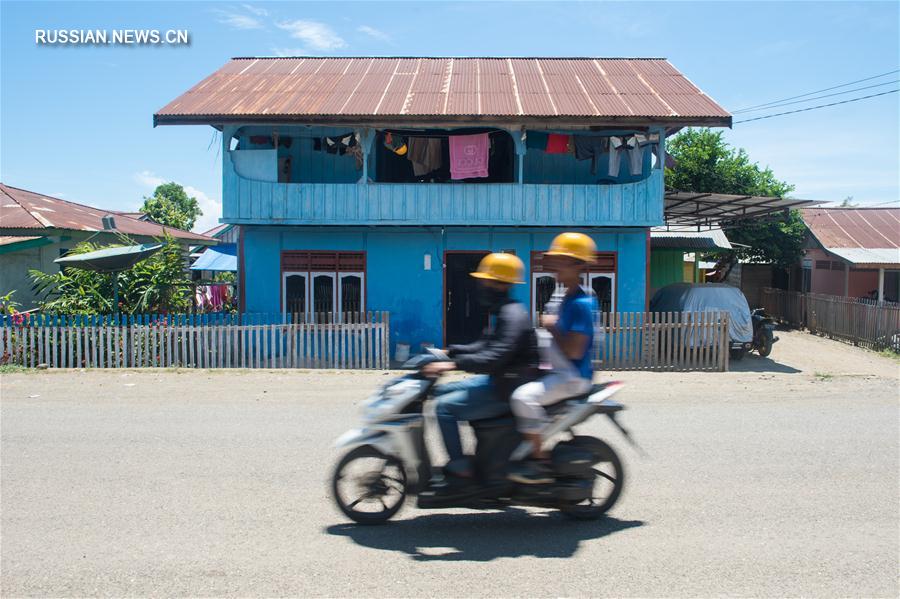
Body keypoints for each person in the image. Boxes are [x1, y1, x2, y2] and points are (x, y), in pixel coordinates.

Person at [422, 252, 539, 487]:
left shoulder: (512, 315)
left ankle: (460, 467)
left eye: (485, 281)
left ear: (500, 284)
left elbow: (494, 357)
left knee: (444, 408)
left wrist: (454, 364)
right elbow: (484, 345)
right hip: (501, 381)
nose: (480, 286)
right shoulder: (505, 310)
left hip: (507, 390)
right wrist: (452, 351)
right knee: (441, 392)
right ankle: (480, 451)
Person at [508, 232, 599, 484]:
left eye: (562, 260)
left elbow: (574, 351)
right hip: (556, 371)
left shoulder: (581, 303)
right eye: (555, 259)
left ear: (578, 265)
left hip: (571, 377)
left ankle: (539, 461)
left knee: (522, 398)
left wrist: (551, 327)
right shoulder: (564, 297)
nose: (555, 265)